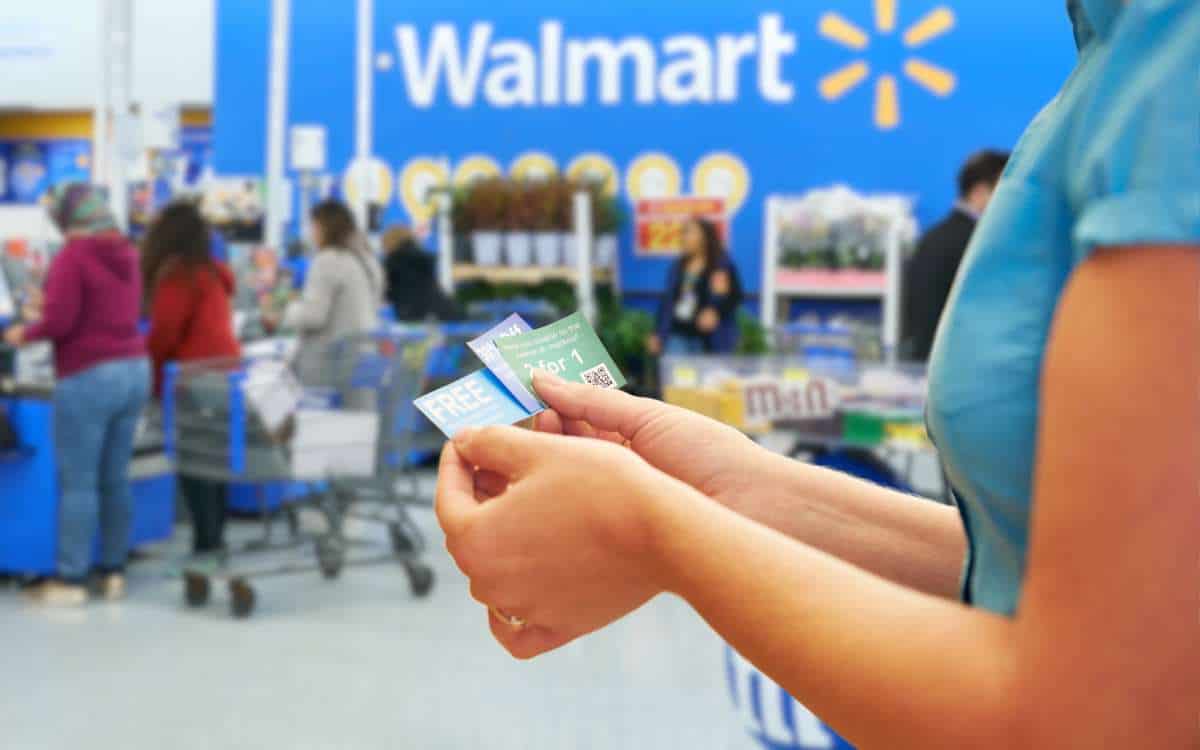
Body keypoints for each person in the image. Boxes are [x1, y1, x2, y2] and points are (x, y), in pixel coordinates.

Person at [434, 2, 1199, 747]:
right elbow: (1027, 579)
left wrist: (658, 531)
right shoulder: (1110, 57)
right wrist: (735, 490)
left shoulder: (1173, 58)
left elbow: (1103, 718)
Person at [4, 183, 150, 605]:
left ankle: (70, 581)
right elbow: (102, 308)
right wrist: (48, 309)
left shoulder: (72, 256)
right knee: (114, 478)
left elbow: (61, 324)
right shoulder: (127, 251)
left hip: (89, 375)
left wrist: (23, 332)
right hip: (134, 369)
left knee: (79, 483)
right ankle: (114, 571)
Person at [142, 201, 241, 555]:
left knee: (193, 461)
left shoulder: (177, 275)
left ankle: (205, 543)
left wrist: (150, 379)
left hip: (193, 378)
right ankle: (214, 539)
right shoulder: (213, 273)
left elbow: (165, 334)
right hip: (226, 375)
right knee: (215, 460)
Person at [901, 150, 1009, 361]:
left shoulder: (934, 236)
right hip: (958, 361)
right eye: (1005, 191)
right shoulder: (978, 242)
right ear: (979, 192)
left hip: (926, 359)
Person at [284, 199, 383, 388]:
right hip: (365, 355)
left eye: (312, 227)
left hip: (331, 362)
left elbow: (314, 316)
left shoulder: (327, 260)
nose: (310, 233)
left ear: (323, 227)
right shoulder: (368, 260)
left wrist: (287, 312)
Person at [648, 217, 743, 356]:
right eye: (683, 233)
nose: (683, 237)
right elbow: (667, 303)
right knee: (676, 376)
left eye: (689, 232)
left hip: (712, 340)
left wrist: (716, 312)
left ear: (704, 237)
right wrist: (657, 334)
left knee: (711, 377)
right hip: (678, 336)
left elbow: (735, 296)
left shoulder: (721, 265)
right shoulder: (678, 267)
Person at [381, 225, 462, 322]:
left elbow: (388, 292)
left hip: (415, 315)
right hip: (443, 310)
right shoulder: (422, 257)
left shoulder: (393, 262)